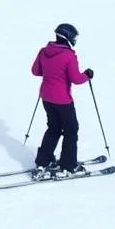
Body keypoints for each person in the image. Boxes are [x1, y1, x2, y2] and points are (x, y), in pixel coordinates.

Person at [31, 23, 94, 180]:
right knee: (71, 130)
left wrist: (51, 73)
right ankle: (68, 165)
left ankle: (43, 161)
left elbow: (35, 71)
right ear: (68, 37)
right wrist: (87, 75)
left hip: (46, 96)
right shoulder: (69, 56)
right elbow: (76, 79)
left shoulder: (44, 51)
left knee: (53, 127)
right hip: (63, 100)